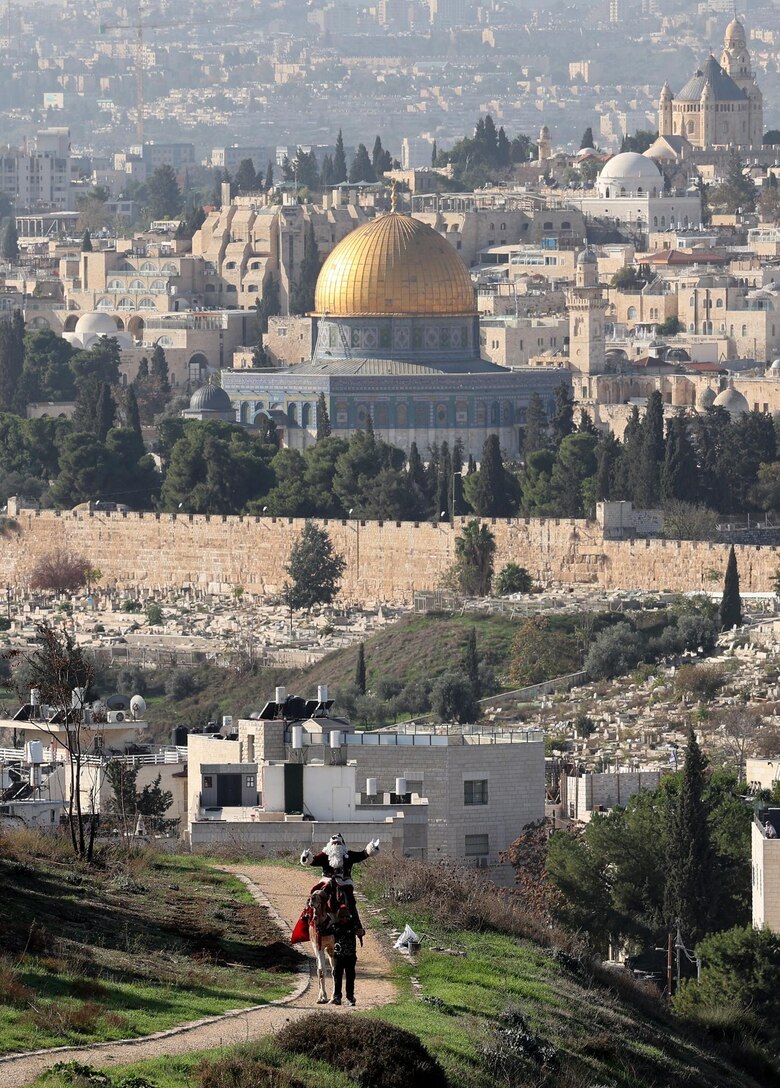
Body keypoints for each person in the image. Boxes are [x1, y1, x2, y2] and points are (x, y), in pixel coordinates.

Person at [301, 833, 379, 935]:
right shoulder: (325, 855)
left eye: (338, 843)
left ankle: (357, 926)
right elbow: (313, 861)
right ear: (329, 844)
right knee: (316, 896)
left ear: (342, 844)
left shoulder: (348, 855)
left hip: (344, 883)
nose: (336, 845)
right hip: (327, 881)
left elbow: (362, 854)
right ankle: (311, 918)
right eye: (334, 843)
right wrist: (306, 857)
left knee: (350, 900)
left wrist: (371, 850)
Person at [331, 912, 359, 1006]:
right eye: (343, 917)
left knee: (350, 977)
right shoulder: (334, 927)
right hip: (338, 956)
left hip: (350, 956)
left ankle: (350, 998)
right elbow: (324, 931)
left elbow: (361, 931)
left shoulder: (353, 926)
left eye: (347, 917)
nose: (345, 919)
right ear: (339, 918)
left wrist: (361, 932)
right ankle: (337, 997)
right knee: (337, 977)